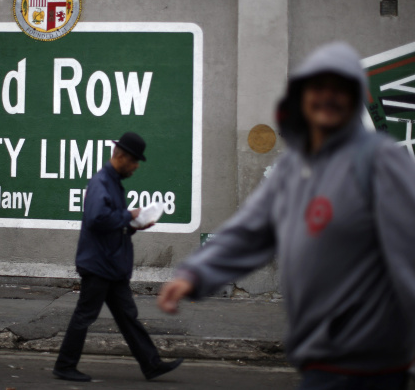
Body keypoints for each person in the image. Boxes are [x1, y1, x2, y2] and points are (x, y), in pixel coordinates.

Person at [158, 42, 415, 390]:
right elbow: (250, 231)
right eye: (317, 87)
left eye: (339, 88)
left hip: (372, 360)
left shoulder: (379, 161)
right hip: (317, 354)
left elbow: (408, 252)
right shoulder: (294, 168)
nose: (327, 97)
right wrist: (196, 273)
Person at [52, 132, 183, 382]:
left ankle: (151, 364)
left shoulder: (112, 183)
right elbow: (96, 218)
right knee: (85, 315)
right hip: (99, 264)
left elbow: (110, 221)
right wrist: (129, 215)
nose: (135, 167)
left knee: (127, 316)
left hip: (111, 265)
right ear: (120, 156)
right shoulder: (101, 182)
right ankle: (65, 365)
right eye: (134, 162)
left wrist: (133, 225)